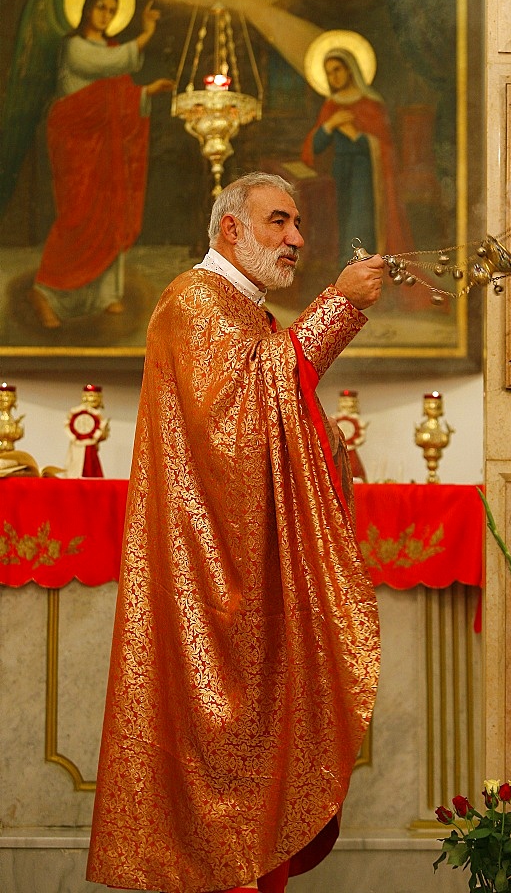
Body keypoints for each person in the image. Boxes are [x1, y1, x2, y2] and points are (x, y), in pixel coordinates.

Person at [86, 172, 384, 893]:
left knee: (260, 766)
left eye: (297, 223)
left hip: (246, 570)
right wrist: (340, 304)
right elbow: (241, 416)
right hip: (208, 581)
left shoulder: (245, 310)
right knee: (218, 770)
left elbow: (273, 409)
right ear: (230, 230)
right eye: (279, 222)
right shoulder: (194, 302)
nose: (296, 240)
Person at [28, 0, 173, 329]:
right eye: (100, 7)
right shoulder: (75, 47)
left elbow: (118, 92)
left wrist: (143, 95)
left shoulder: (108, 47)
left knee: (109, 211)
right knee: (77, 216)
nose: (106, 14)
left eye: (111, 9)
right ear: (86, 9)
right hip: (76, 143)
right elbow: (108, 65)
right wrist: (147, 32)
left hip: (105, 146)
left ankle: (105, 294)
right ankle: (46, 290)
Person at [301, 38, 414, 267]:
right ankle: (343, 266)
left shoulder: (371, 104)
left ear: (350, 69)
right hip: (339, 170)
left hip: (365, 172)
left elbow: (388, 148)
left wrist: (357, 136)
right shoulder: (331, 106)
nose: (334, 77)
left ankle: (359, 265)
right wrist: (330, 125)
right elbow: (314, 147)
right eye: (329, 73)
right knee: (339, 220)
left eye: (338, 70)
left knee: (358, 219)